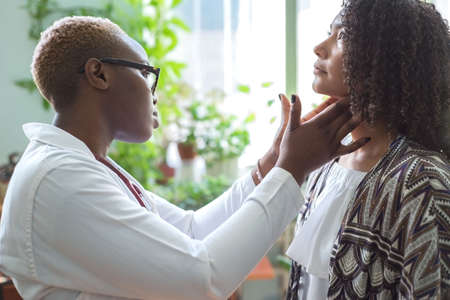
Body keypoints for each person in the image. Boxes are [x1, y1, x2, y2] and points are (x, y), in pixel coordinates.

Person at [0, 16, 368, 300]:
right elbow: (202, 281)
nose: (153, 93)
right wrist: (291, 170)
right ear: (99, 74)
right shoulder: (60, 180)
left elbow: (190, 232)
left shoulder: (82, 165)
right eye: (147, 73)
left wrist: (268, 168)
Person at [285, 0, 450, 299]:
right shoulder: (327, 163)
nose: (319, 48)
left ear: (387, 59)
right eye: (328, 33)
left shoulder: (422, 183)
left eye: (343, 36)